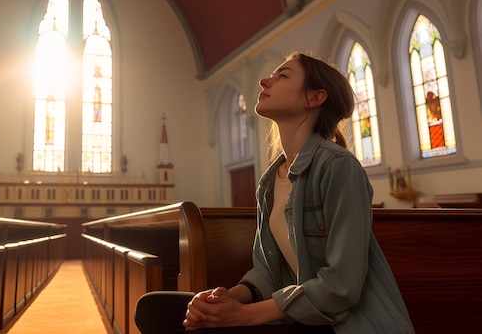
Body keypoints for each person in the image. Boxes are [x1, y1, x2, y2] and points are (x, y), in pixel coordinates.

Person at [134, 52, 414, 334]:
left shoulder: (338, 167)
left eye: (283, 76)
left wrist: (242, 316)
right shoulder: (270, 182)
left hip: (343, 325)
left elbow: (341, 286)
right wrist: (228, 297)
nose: (264, 81)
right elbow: (267, 271)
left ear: (314, 98)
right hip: (294, 316)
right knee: (156, 308)